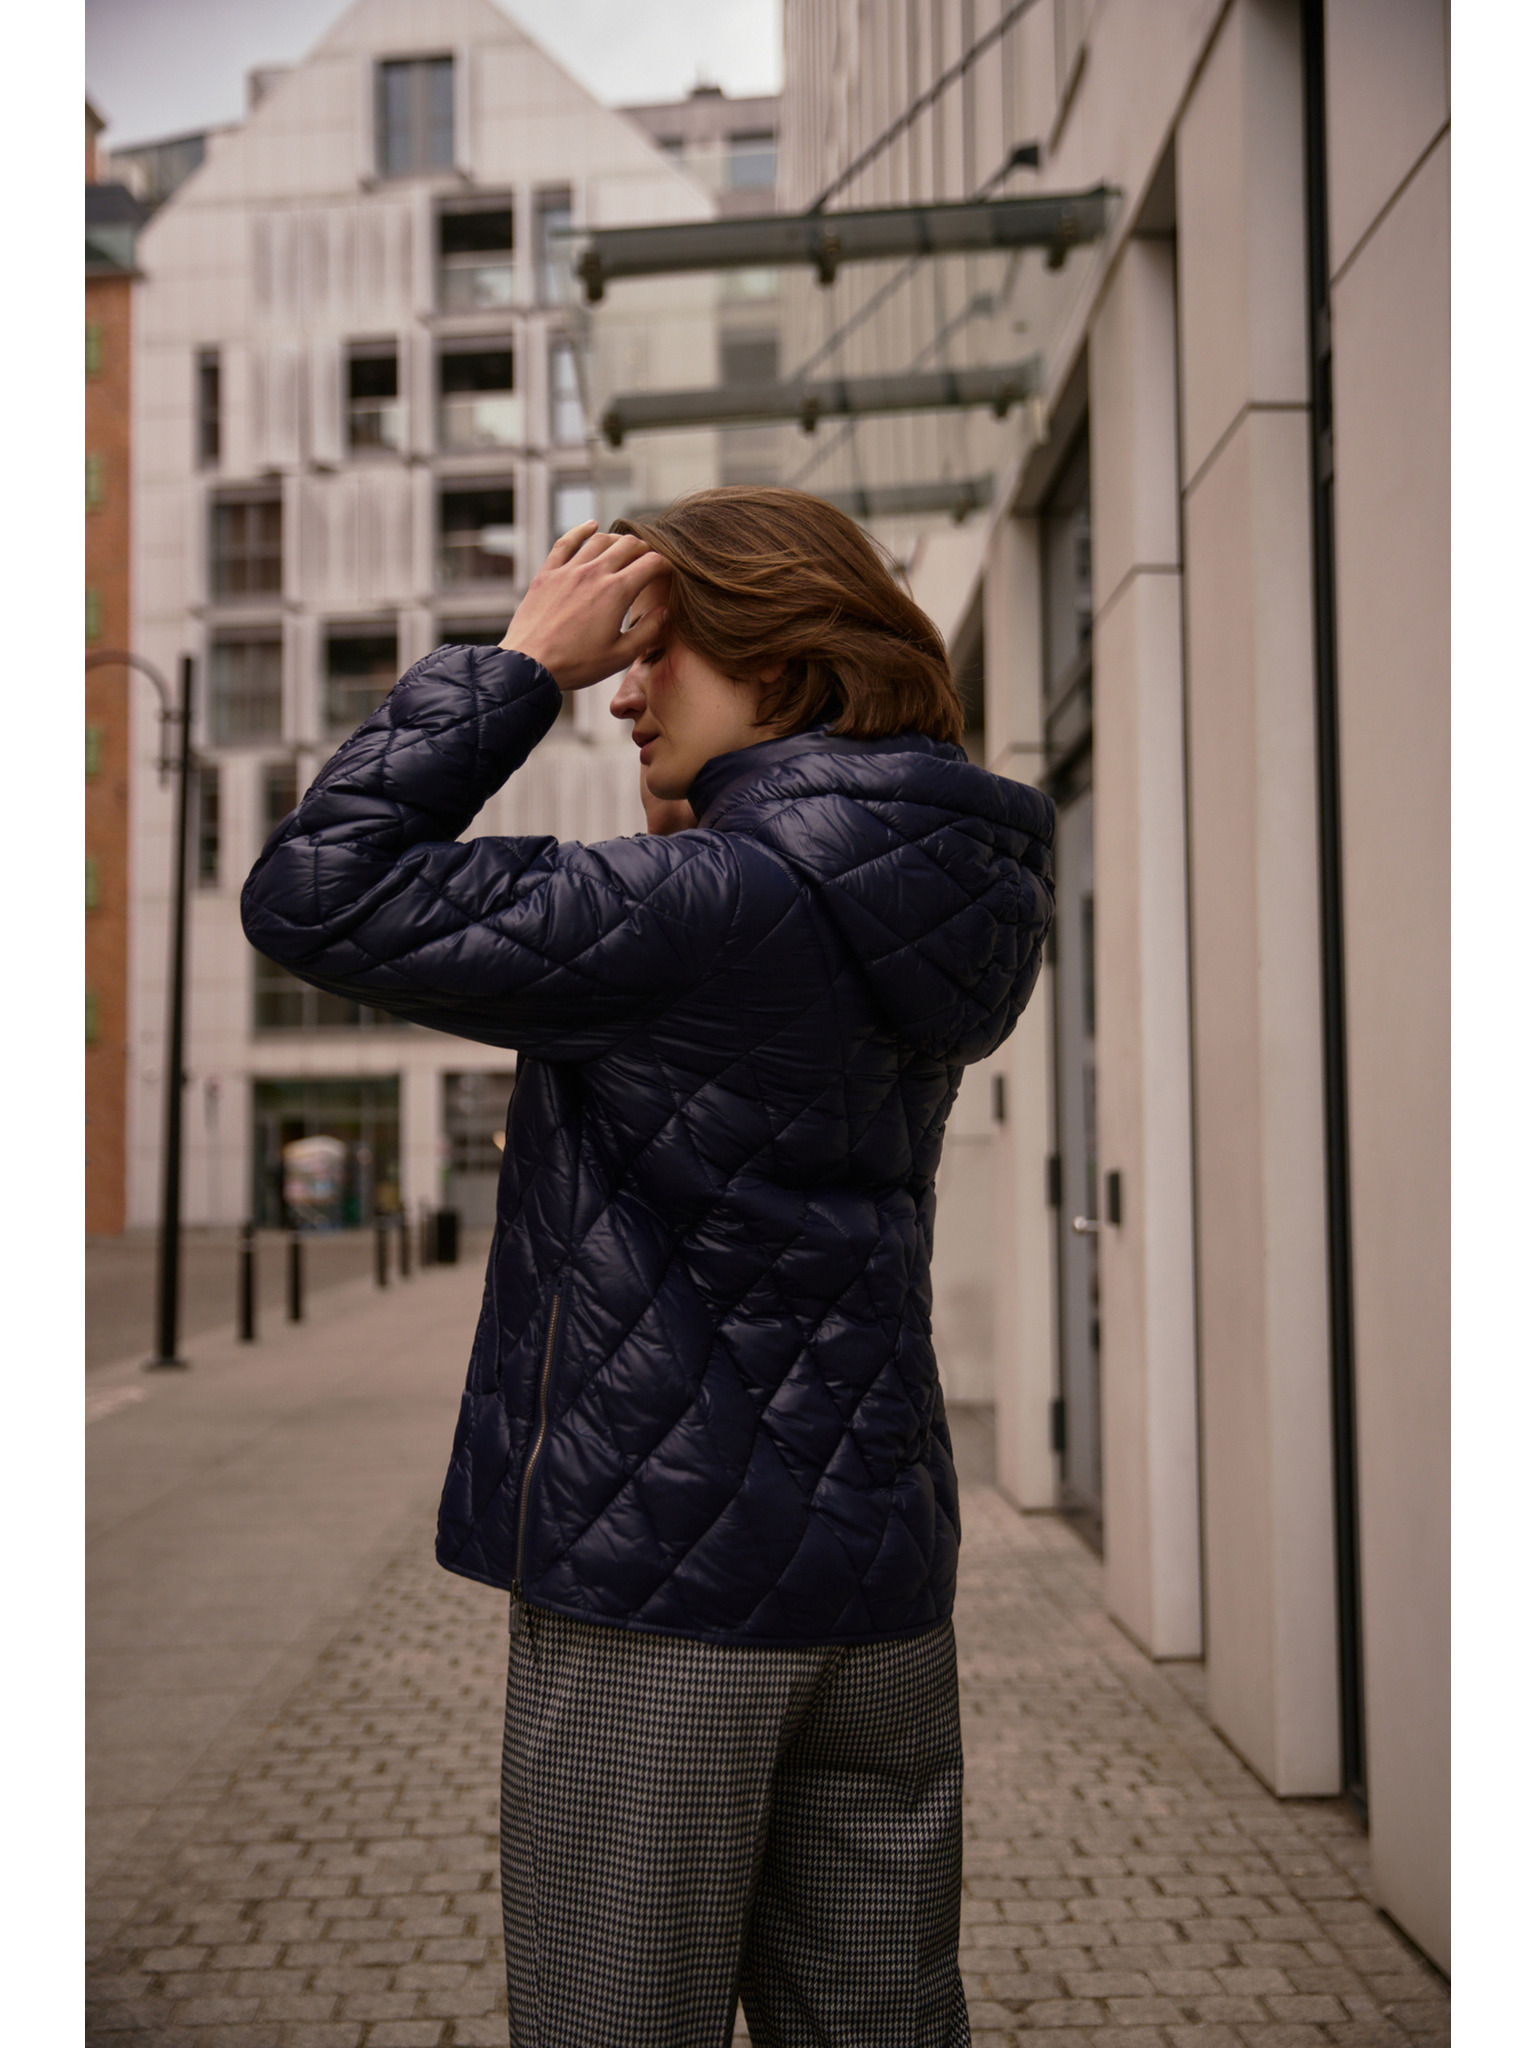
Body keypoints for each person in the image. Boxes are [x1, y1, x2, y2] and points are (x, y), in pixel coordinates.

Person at [242, 487, 1055, 2048]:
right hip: (881, 1581)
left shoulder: (706, 908)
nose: (618, 689)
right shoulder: (937, 893)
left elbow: (317, 890)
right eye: (604, 656)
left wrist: (515, 670)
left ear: (780, 660)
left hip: (665, 1589)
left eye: (650, 649)